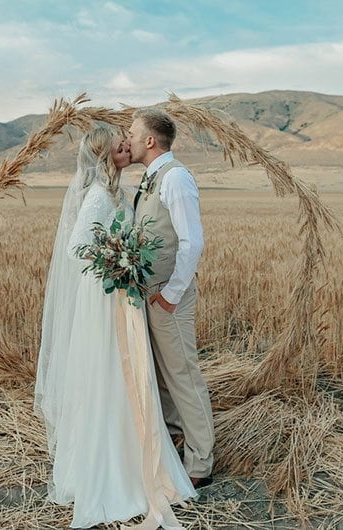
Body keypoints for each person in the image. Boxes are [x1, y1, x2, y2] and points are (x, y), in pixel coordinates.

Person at [34, 125, 196, 529]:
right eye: (120, 146)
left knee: (128, 375)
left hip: (120, 295)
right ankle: (115, 468)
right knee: (111, 374)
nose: (127, 148)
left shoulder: (116, 190)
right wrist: (115, 258)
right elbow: (76, 247)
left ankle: (138, 453)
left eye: (128, 143)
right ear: (107, 156)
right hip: (104, 299)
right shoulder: (96, 196)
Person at [127, 109, 215, 488]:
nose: (126, 139)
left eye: (131, 133)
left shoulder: (175, 177)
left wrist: (170, 295)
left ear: (150, 140)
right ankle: (178, 441)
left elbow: (192, 240)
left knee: (182, 375)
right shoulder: (149, 179)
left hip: (168, 297)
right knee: (163, 375)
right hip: (150, 294)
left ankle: (200, 465)